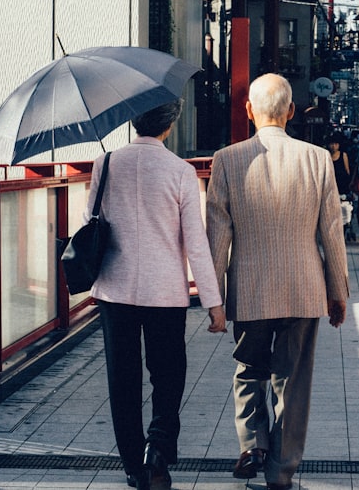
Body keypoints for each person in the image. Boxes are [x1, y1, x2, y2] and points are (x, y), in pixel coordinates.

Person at [206, 74, 349, 490]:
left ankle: (252, 444)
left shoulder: (227, 159)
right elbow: (332, 234)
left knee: (248, 369)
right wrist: (338, 293)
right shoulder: (318, 158)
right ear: (290, 112)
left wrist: (214, 299)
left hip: (249, 289)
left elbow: (218, 235)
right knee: (293, 381)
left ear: (249, 110)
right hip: (304, 289)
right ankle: (281, 470)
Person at [86, 100, 227, 490]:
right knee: (168, 374)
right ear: (169, 125)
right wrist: (214, 303)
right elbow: (195, 243)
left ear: (134, 121)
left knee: (123, 378)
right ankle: (158, 449)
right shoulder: (180, 171)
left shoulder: (107, 163)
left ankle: (133, 465)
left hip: (115, 289)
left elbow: (88, 224)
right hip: (165, 292)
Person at [327, 132, 354, 240]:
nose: (333, 146)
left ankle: (342, 231)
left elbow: (347, 171)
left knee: (343, 210)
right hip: (330, 188)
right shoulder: (326, 155)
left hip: (342, 188)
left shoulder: (343, 155)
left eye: (336, 144)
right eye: (332, 144)